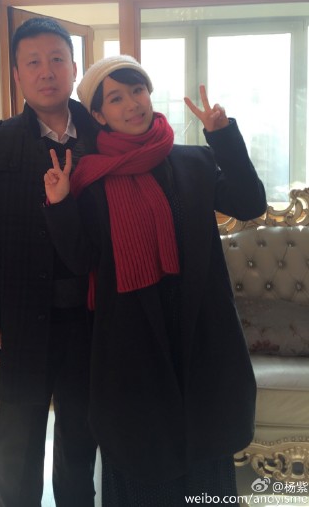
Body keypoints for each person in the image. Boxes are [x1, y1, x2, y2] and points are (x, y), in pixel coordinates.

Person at [42, 55, 267, 506]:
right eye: (116, 98)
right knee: (145, 468)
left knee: (207, 467)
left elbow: (250, 203)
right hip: (133, 346)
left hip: (200, 336)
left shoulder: (193, 162)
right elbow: (80, 258)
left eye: (137, 90)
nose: (132, 104)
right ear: (98, 115)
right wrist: (60, 203)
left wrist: (222, 135)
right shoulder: (90, 180)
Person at [0, 17, 98, 507]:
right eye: (33, 62)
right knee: (18, 446)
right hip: (20, 320)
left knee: (79, 442)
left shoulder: (103, 139)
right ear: (17, 74)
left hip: (91, 320)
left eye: (57, 59)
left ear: (74, 68)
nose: (46, 71)